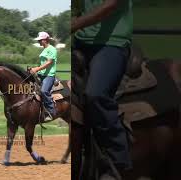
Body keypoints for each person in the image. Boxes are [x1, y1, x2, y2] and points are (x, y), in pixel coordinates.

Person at [72, 0, 133, 178]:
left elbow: (111, 5)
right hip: (80, 41)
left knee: (95, 94)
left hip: (111, 43)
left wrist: (75, 24)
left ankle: (116, 161)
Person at [30, 32, 57, 121]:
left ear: (45, 40)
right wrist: (33, 69)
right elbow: (41, 63)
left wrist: (37, 69)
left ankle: (51, 111)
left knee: (44, 91)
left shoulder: (52, 49)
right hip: (41, 75)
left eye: (40, 40)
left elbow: (49, 62)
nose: (39, 42)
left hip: (49, 76)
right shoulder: (44, 50)